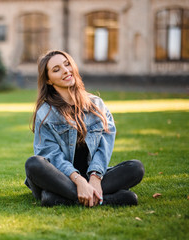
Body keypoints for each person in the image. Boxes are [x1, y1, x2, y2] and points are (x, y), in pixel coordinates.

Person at [24, 50, 144, 207]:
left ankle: (57, 199)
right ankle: (104, 199)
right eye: (56, 69)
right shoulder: (45, 112)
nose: (66, 70)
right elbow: (52, 155)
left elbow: (104, 147)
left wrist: (95, 177)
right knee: (34, 164)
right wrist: (78, 180)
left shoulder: (97, 105)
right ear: (48, 80)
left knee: (136, 168)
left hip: (90, 176)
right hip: (60, 179)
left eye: (67, 65)